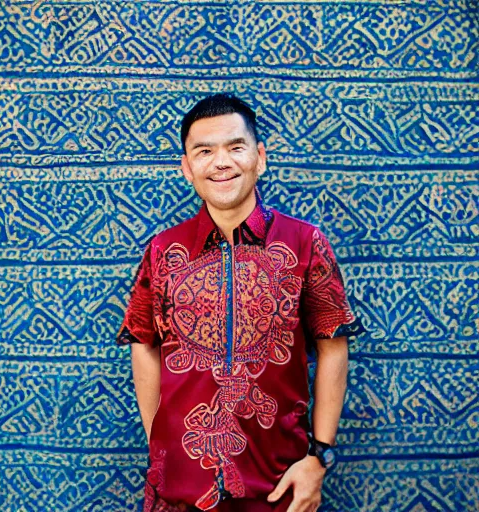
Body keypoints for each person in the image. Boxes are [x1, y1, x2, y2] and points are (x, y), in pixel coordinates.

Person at [117, 94, 363, 512]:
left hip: (279, 483)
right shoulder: (163, 251)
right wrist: (160, 445)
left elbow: (333, 345)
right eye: (204, 151)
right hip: (178, 488)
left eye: (235, 147)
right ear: (187, 167)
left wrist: (318, 456)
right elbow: (143, 341)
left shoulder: (305, 244)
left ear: (259, 157)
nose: (221, 162)